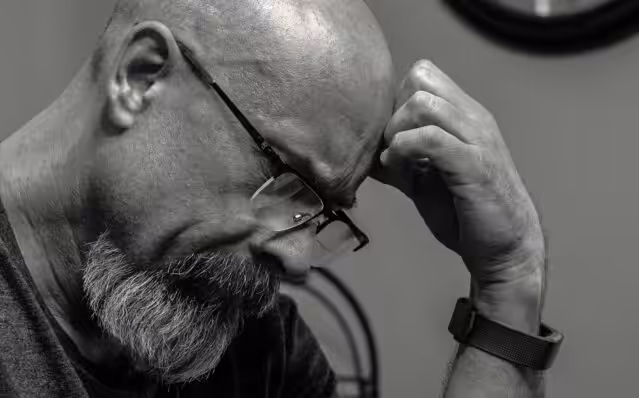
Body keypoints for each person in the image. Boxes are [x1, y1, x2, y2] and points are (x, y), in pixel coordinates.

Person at [0, 0, 558, 397]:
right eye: (286, 178)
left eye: (320, 213)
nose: (296, 260)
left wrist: (508, 280)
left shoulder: (254, 348)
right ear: (141, 76)